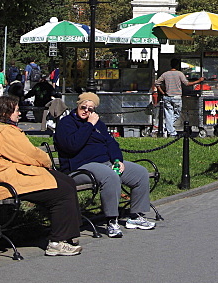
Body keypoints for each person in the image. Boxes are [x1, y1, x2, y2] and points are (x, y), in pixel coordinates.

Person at [0, 96, 82, 255]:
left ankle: (69, 234)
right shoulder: (4, 132)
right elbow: (30, 154)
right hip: (3, 182)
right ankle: (57, 242)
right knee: (62, 193)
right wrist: (47, 162)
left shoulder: (4, 130)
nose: (19, 114)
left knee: (67, 182)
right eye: (17, 111)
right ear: (6, 113)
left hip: (11, 176)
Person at [55, 92, 155, 238]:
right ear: (77, 105)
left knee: (140, 173)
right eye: (84, 107)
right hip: (80, 167)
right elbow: (72, 146)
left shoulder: (99, 125)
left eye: (91, 108)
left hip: (105, 163)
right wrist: (89, 125)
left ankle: (135, 216)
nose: (86, 111)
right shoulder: (67, 124)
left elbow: (111, 143)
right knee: (110, 176)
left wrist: (117, 160)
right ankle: (111, 221)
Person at [154, 59, 205, 137]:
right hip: (177, 97)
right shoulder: (180, 74)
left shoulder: (165, 74)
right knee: (177, 114)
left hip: (167, 97)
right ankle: (172, 132)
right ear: (178, 65)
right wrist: (199, 80)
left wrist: (162, 92)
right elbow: (187, 83)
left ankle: (167, 126)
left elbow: (157, 83)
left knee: (169, 115)